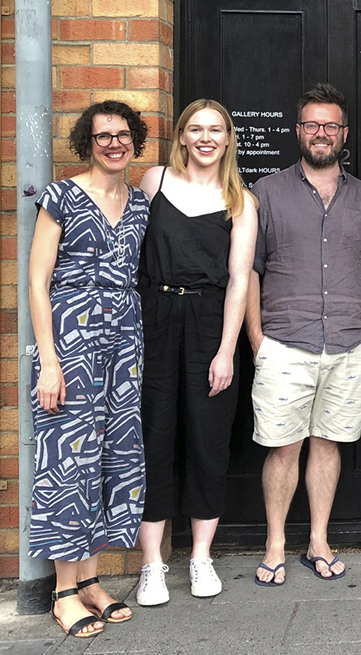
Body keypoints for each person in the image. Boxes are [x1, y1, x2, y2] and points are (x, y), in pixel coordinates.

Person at [246, 83, 361, 586]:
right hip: (284, 342)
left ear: (343, 134)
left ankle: (319, 540)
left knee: (329, 444)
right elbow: (250, 271)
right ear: (298, 130)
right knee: (283, 447)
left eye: (330, 125)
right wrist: (257, 340)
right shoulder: (265, 192)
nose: (321, 133)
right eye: (312, 124)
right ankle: (276, 543)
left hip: (349, 344)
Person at [28, 100, 149, 637]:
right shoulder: (61, 196)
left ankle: (91, 581)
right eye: (103, 136)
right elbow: (37, 281)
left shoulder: (140, 202)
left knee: (112, 456)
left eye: (123, 135)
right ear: (87, 141)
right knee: (66, 462)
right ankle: (62, 593)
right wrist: (49, 361)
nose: (114, 143)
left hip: (124, 340)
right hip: (71, 339)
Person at [133, 99, 258, 604]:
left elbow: (239, 281)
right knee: (153, 437)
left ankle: (201, 557)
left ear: (228, 140)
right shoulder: (153, 182)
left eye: (216, 130)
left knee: (208, 441)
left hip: (210, 321)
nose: (206, 138)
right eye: (196, 129)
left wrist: (227, 350)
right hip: (154, 317)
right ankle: (152, 564)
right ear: (182, 136)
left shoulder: (241, 202)